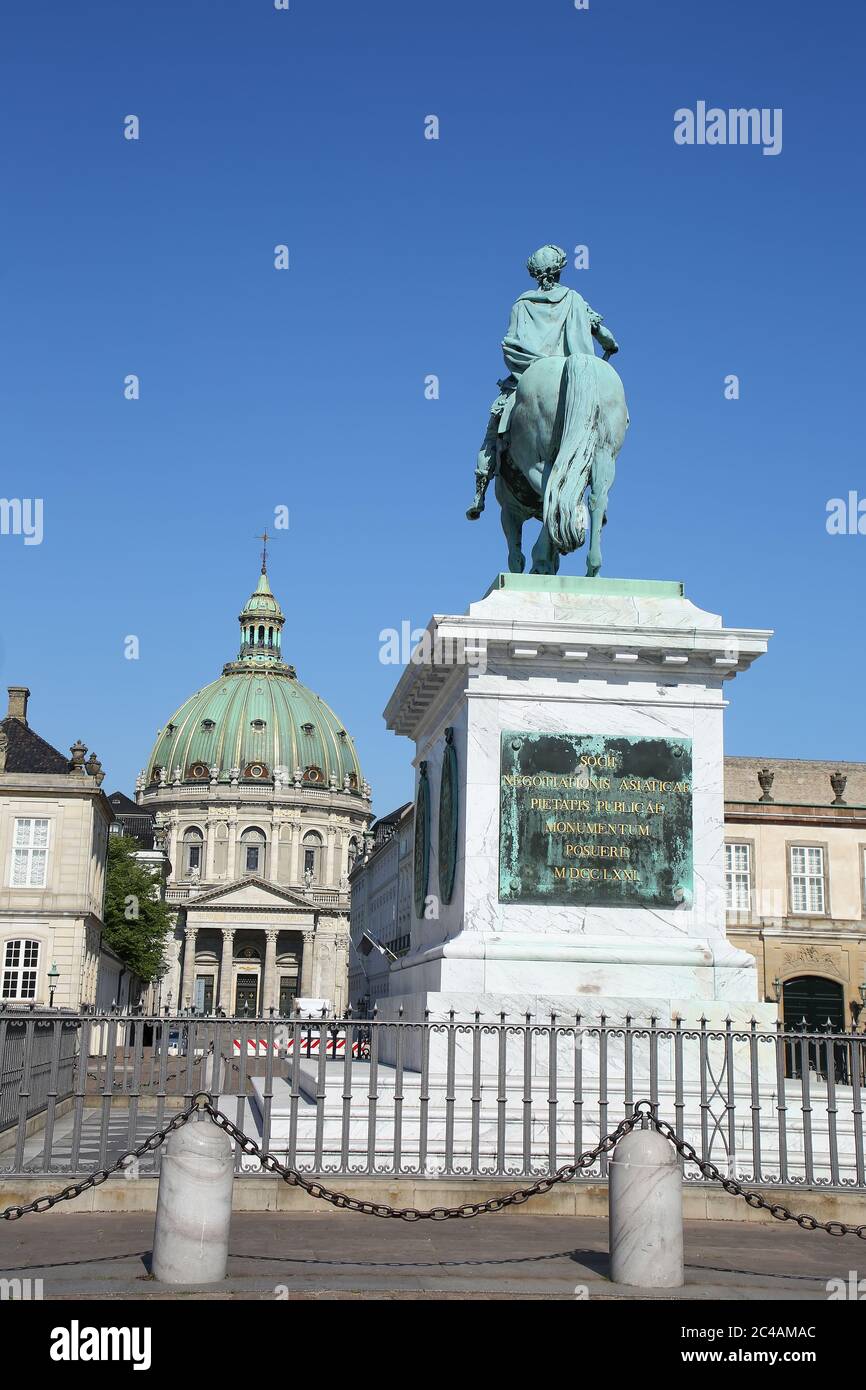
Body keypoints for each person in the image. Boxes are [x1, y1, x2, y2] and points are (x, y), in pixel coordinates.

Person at [467, 245, 620, 519]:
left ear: (534, 273)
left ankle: (479, 495)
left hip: (528, 373)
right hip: (575, 380)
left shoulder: (522, 303)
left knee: (492, 435)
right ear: (560, 271)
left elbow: (511, 343)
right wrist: (611, 344)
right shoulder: (575, 299)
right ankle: (592, 497)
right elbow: (605, 336)